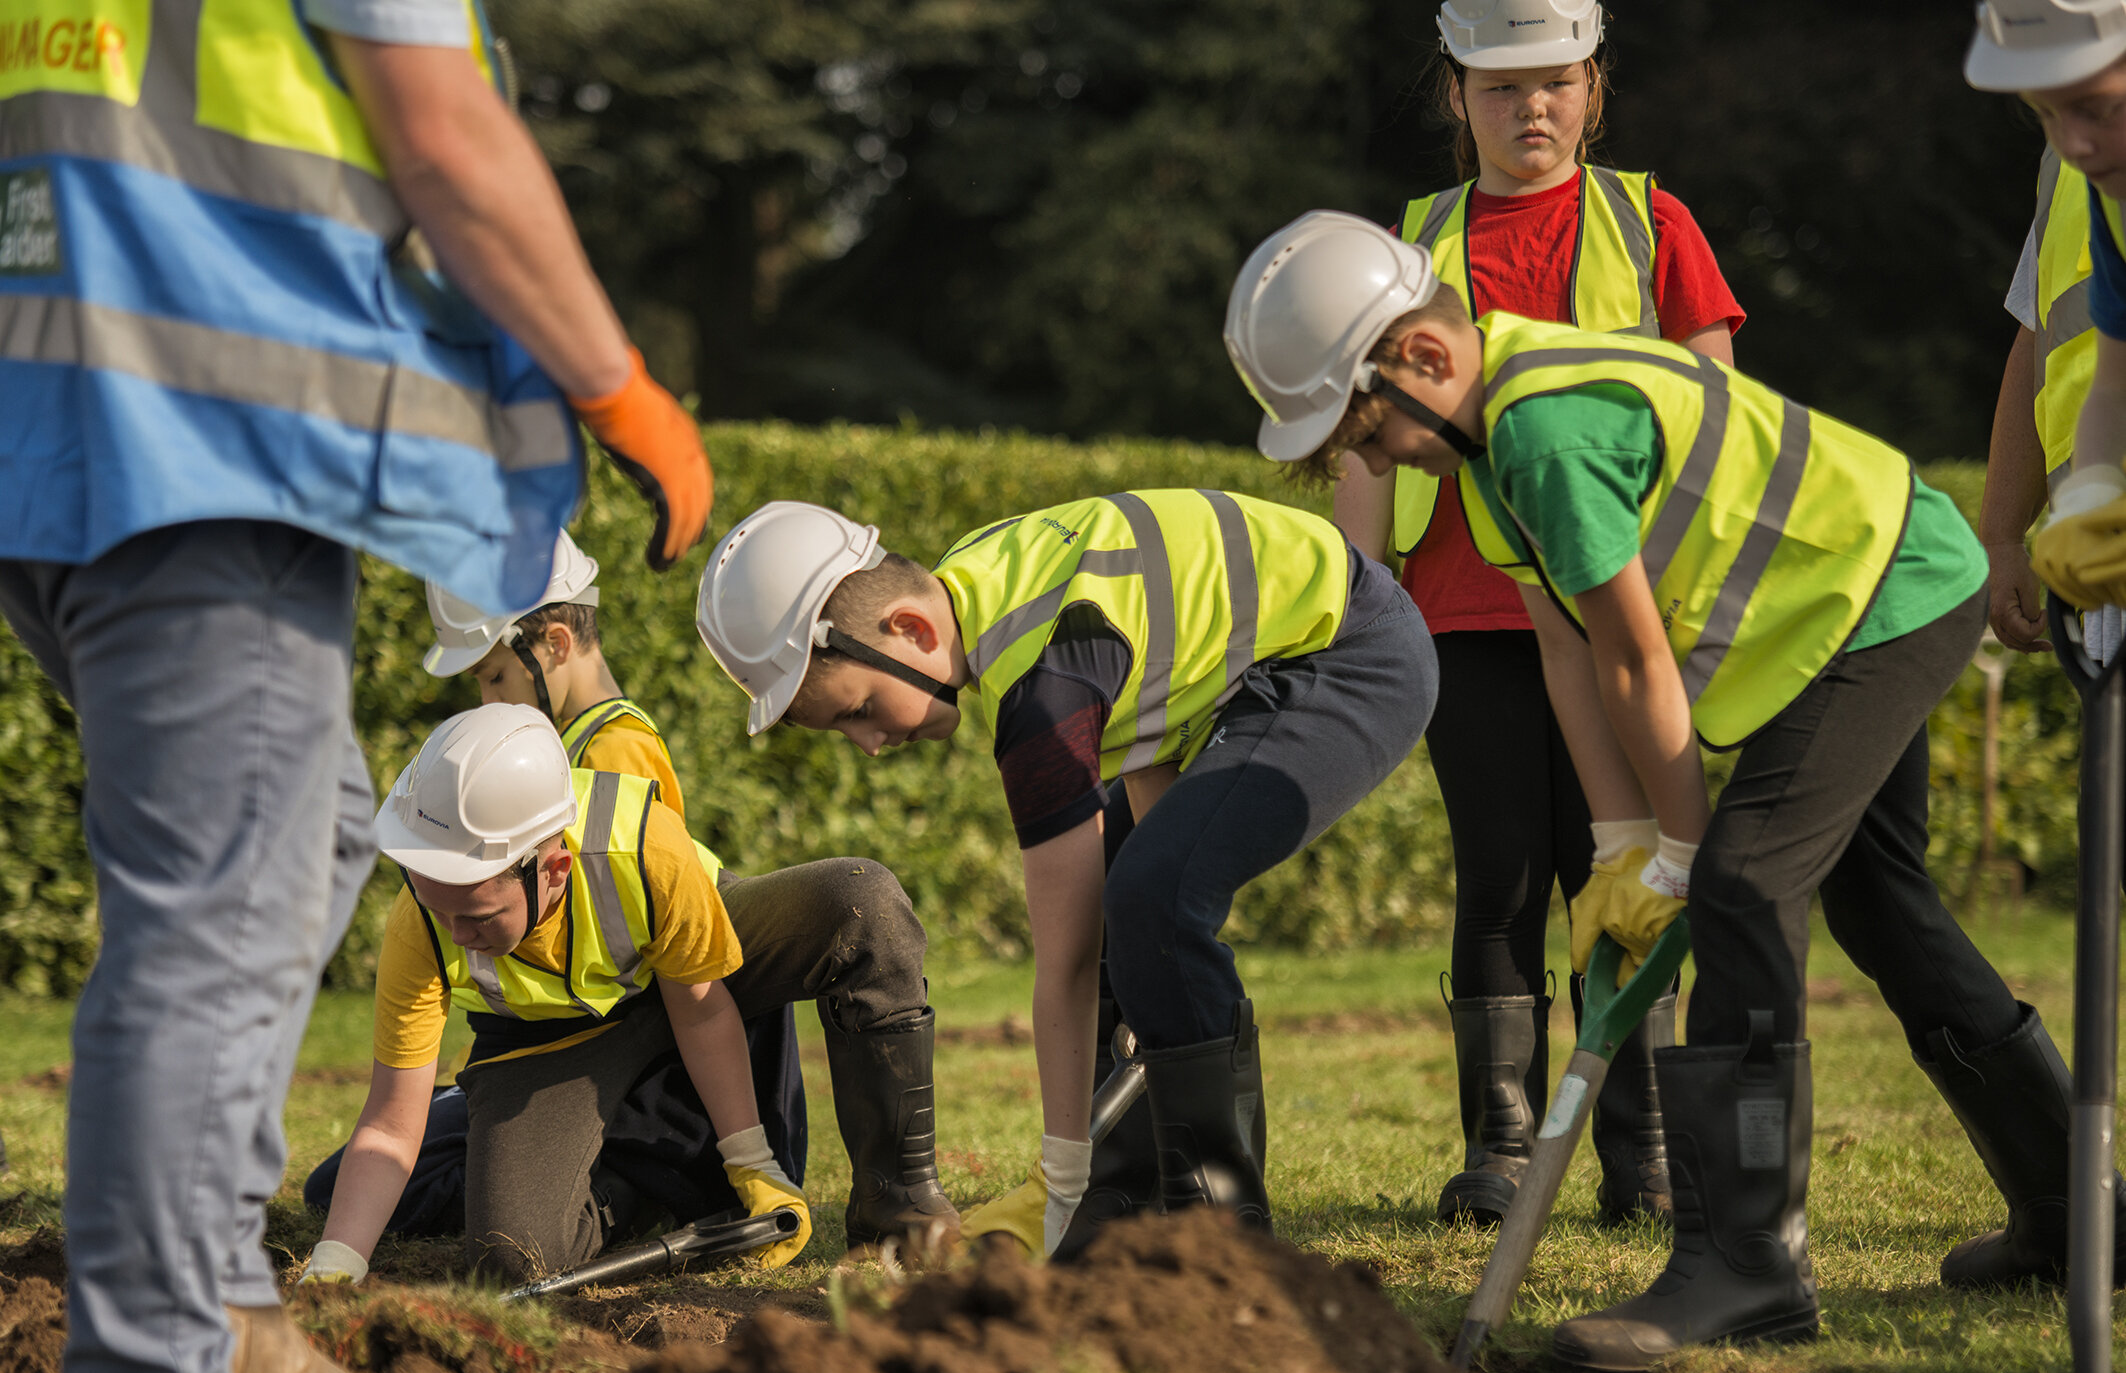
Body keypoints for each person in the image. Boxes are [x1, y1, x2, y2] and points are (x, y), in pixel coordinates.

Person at [1225, 209, 2095, 1373]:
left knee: (1739, 883)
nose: (1371, 463)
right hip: (1856, 598)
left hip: (1887, 594)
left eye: (1363, 427)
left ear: (1424, 360)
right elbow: (1565, 647)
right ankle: (2077, 1210)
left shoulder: (1543, 427)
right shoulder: (1487, 457)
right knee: (1878, 904)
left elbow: (1634, 656)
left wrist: (1684, 850)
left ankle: (1746, 1264)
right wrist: (1623, 840)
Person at [0, 0, 711, 1373]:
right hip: (202, 444)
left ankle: (219, 1302)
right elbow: (441, 133)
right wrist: (618, 387)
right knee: (217, 914)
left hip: (54, 432)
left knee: (315, 819)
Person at [695, 494, 1437, 1257]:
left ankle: (1220, 1226)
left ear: (910, 630)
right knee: (1146, 900)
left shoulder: (1040, 683)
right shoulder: (982, 580)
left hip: (1352, 655)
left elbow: (1068, 960)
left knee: (1151, 898)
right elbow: (1155, 718)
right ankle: (1125, 1195)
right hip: (1266, 670)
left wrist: (1057, 1180)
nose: (870, 745)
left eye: (858, 710)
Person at [1333, 0, 1744, 1229]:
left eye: (1554, 82)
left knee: (1609, 865)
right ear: (1454, 95)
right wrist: (1361, 596)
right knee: (1501, 876)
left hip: (1618, 613)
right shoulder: (1404, 252)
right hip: (1463, 610)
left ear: (1592, 87)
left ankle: (1642, 1146)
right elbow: (1360, 446)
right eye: (1502, 87)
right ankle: (1501, 1145)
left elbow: (1713, 410)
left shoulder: (1651, 221)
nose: (1531, 109)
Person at [308, 532, 958, 1251]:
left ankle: (893, 1203)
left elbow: (688, 981)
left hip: (679, 967)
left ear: (553, 643)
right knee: (505, 1248)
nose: (487, 701)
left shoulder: (614, 767)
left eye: (493, 677)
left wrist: (753, 1161)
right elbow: (392, 1112)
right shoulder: (460, 853)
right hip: (584, 1014)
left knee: (856, 899)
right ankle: (543, 1144)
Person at [1969, 3, 2126, 622]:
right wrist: (2089, 501)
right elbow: (2108, 386)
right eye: (2045, 114)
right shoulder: (2104, 193)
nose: (2074, 143)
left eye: (2097, 108)